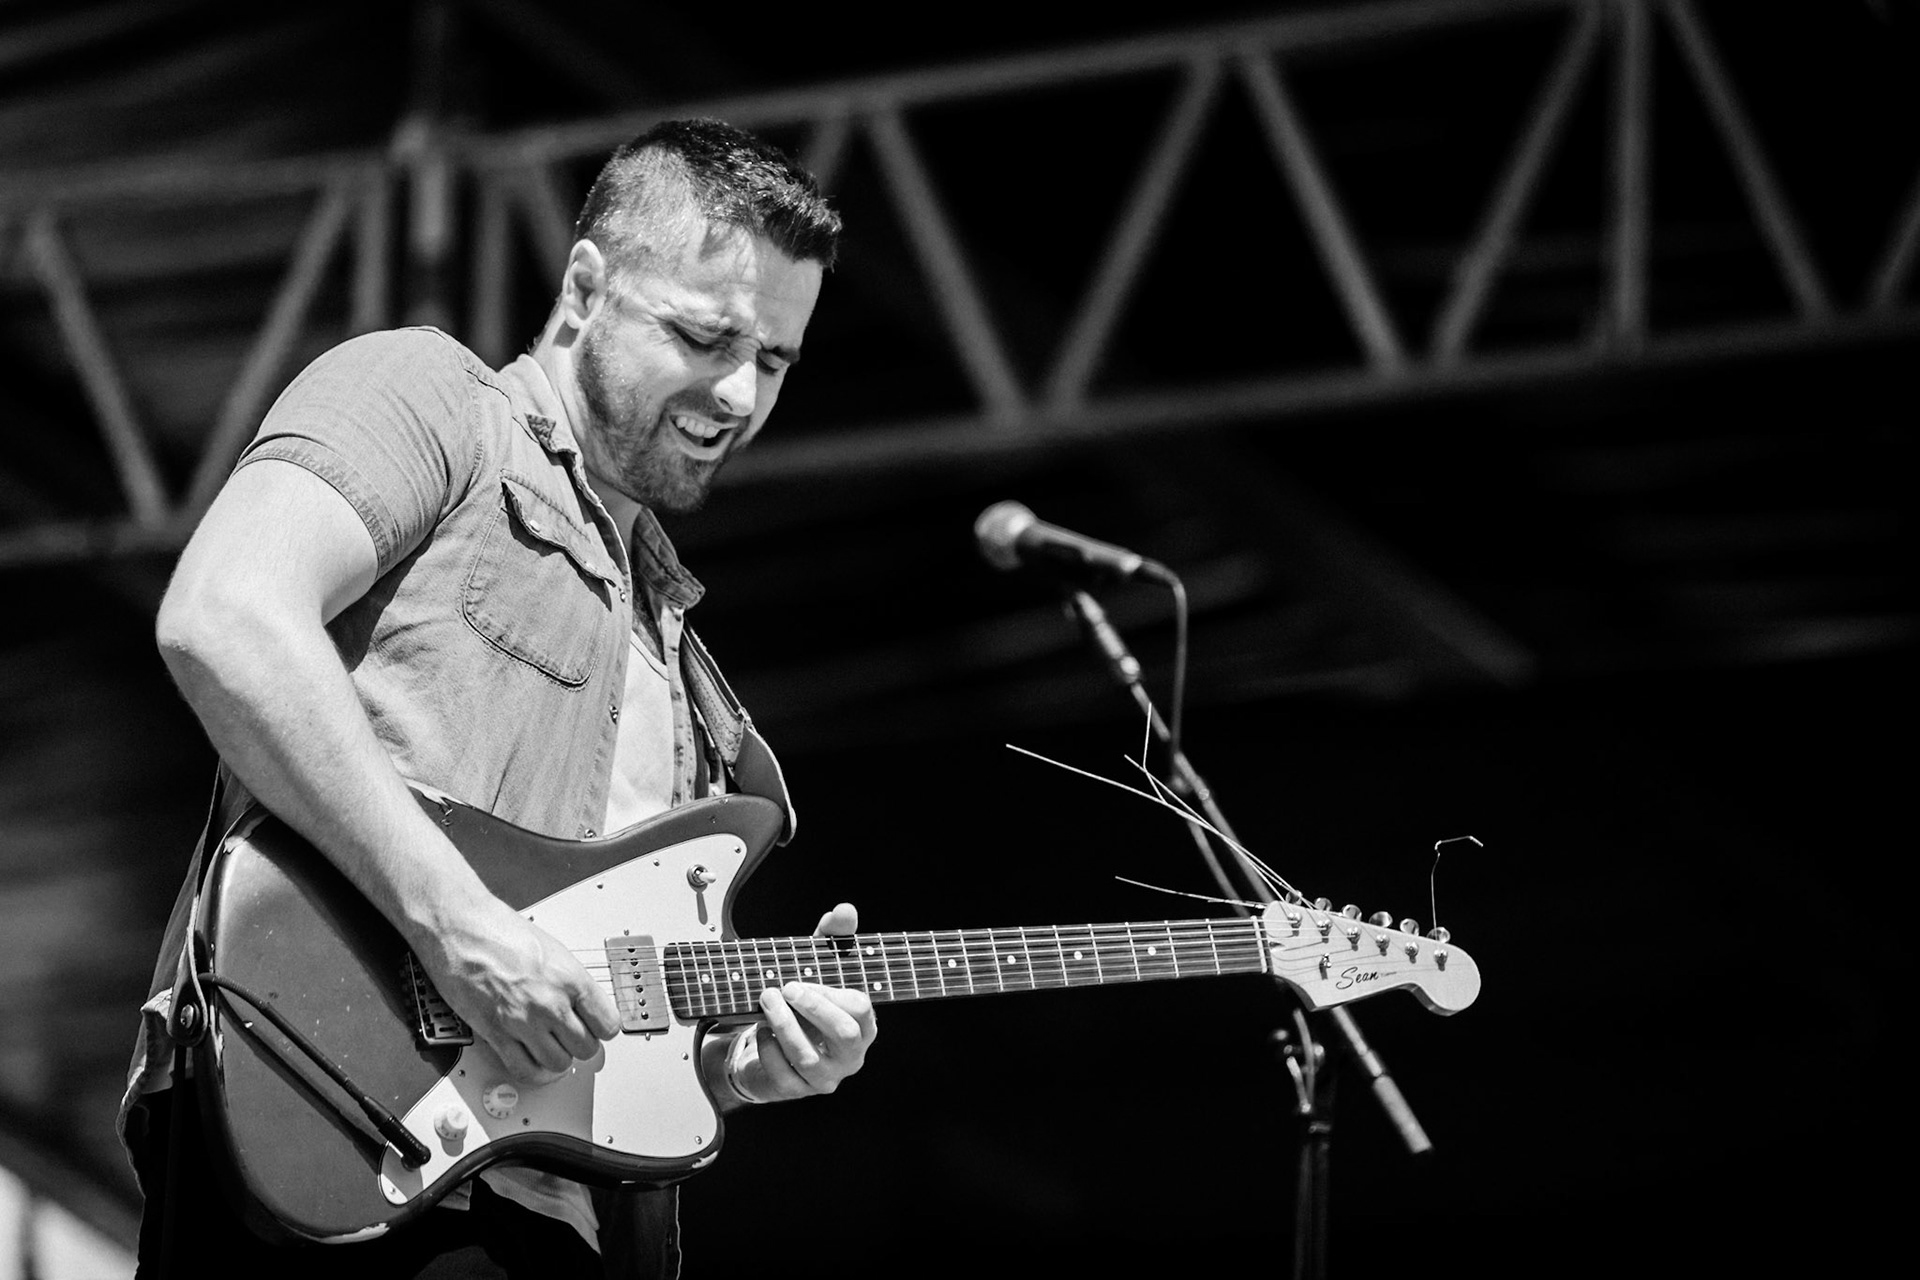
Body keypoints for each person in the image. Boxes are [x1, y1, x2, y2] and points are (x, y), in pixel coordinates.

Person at [120, 118, 877, 1278]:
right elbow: (225, 615)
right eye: (703, 335)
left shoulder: (681, 664)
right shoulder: (433, 397)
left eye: (773, 360)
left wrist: (738, 1065)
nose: (737, 391)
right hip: (338, 1128)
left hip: (559, 1230)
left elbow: (600, 996)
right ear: (585, 287)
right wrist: (460, 927)